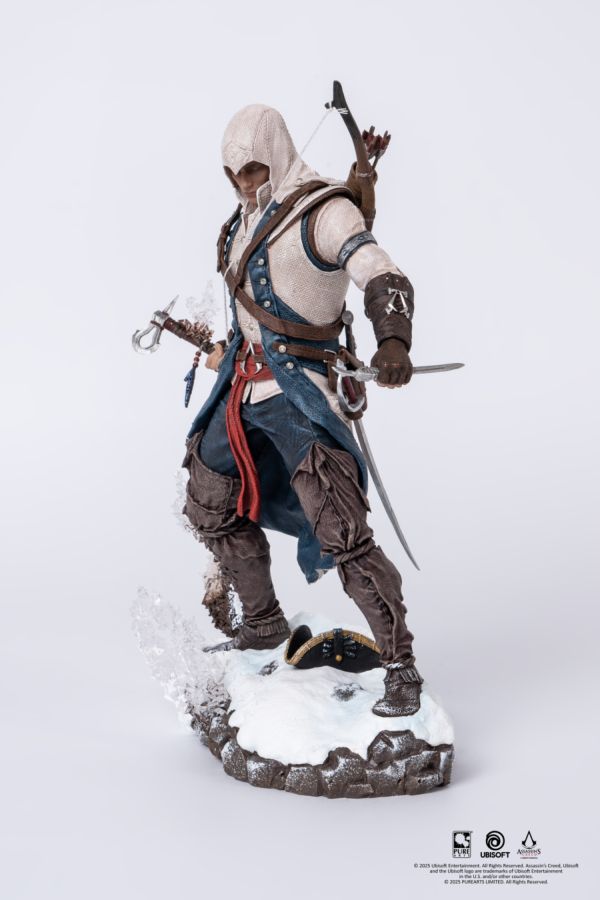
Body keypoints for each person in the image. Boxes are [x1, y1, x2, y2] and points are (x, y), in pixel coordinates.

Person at [182, 104, 423, 716]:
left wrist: (394, 341)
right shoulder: (236, 226)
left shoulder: (326, 210)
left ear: (278, 154)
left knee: (343, 531)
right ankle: (262, 623)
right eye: (233, 172)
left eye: (254, 168)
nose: (244, 182)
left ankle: (401, 669)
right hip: (241, 389)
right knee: (208, 498)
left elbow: (381, 272)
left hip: (301, 393)